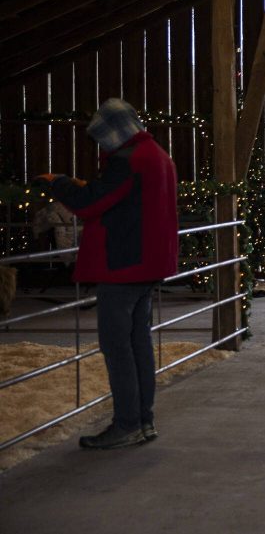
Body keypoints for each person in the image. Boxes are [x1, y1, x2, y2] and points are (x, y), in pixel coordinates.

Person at [33, 98, 178, 450]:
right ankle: (143, 420)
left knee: (117, 347)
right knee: (138, 343)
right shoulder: (158, 154)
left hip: (124, 265)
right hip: (148, 265)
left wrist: (59, 183)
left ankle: (127, 423)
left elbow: (90, 203)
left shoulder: (128, 161)